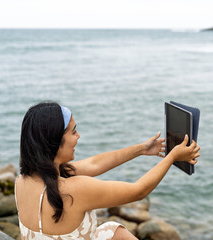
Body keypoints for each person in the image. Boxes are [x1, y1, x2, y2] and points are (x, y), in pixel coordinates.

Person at [15, 101, 200, 240]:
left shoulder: (22, 181)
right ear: (54, 140)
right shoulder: (73, 190)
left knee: (112, 231)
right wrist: (172, 157)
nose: (78, 136)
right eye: (73, 131)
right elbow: (139, 190)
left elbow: (95, 164)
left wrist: (142, 149)